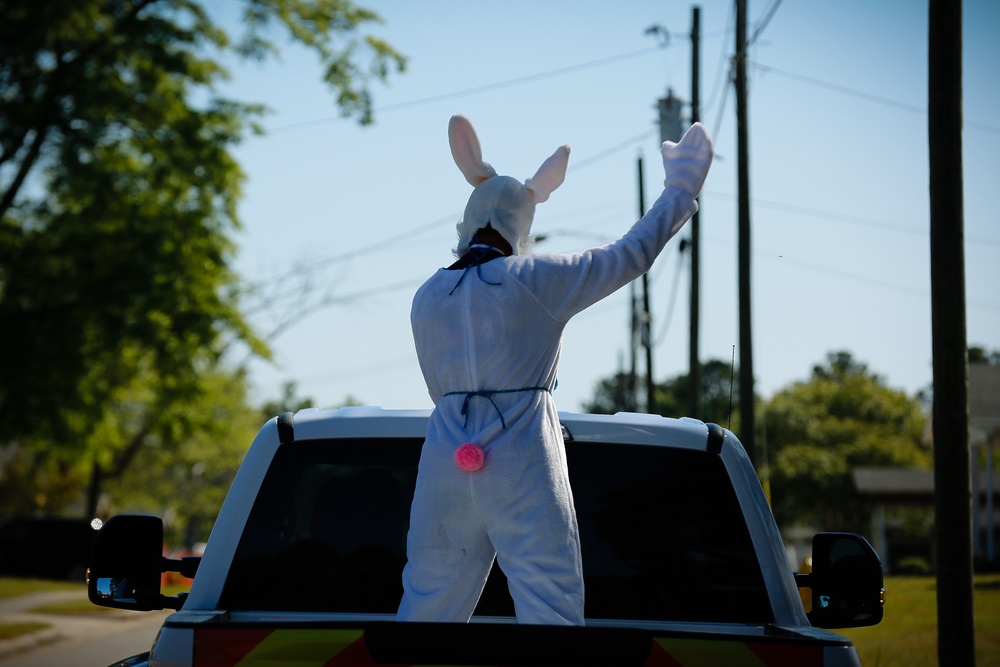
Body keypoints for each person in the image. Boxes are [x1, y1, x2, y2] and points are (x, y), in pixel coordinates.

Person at [397, 115, 714, 625]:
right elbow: (630, 255)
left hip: (445, 458)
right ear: (521, 224)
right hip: (522, 458)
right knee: (551, 607)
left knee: (426, 604)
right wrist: (679, 190)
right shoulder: (535, 279)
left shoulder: (427, 295)